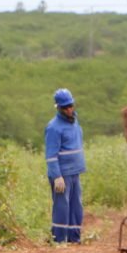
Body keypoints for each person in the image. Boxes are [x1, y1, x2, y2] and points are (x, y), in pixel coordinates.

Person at [45, 88, 86, 243]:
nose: (69, 109)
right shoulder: (53, 128)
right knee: (62, 207)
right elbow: (51, 155)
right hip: (62, 174)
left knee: (76, 207)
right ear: (59, 108)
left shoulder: (74, 121)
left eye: (71, 105)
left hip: (75, 172)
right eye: (65, 107)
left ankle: (74, 238)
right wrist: (57, 177)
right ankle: (59, 240)